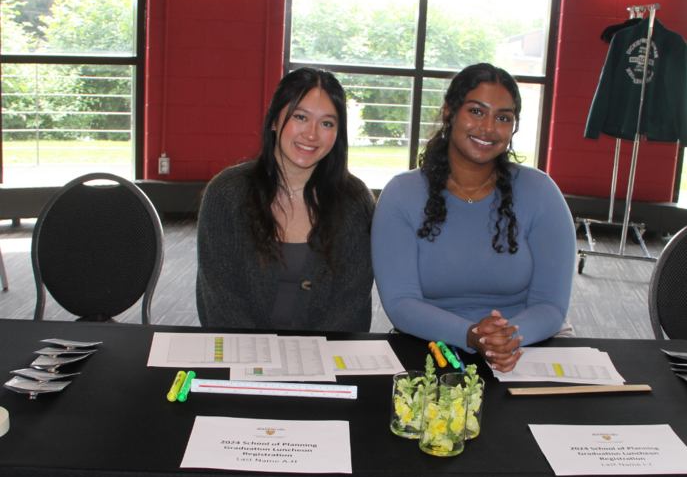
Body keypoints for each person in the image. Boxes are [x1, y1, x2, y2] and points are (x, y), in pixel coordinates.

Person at [371, 63, 576, 373]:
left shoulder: (541, 192)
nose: (489, 128)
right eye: (477, 112)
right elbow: (401, 303)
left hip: (526, 344)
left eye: (503, 118)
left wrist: (507, 338)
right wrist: (472, 336)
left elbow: (551, 304)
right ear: (449, 112)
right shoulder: (401, 194)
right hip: (431, 345)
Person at [196, 68, 375, 331]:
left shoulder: (355, 201)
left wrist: (313, 361)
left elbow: (352, 303)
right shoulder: (226, 193)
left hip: (324, 359)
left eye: (327, 123)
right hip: (242, 354)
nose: (312, 134)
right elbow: (220, 299)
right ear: (274, 121)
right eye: (300, 117)